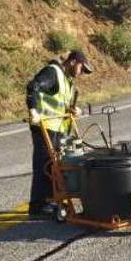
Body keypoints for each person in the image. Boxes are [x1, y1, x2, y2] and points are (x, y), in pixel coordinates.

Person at [25, 50, 93, 216]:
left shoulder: (67, 80)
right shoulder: (52, 72)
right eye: (81, 68)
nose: (82, 73)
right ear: (72, 61)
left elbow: (61, 104)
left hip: (58, 128)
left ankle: (50, 200)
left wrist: (75, 110)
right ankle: (37, 206)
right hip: (44, 126)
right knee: (45, 165)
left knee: (55, 166)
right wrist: (33, 111)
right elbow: (32, 86)